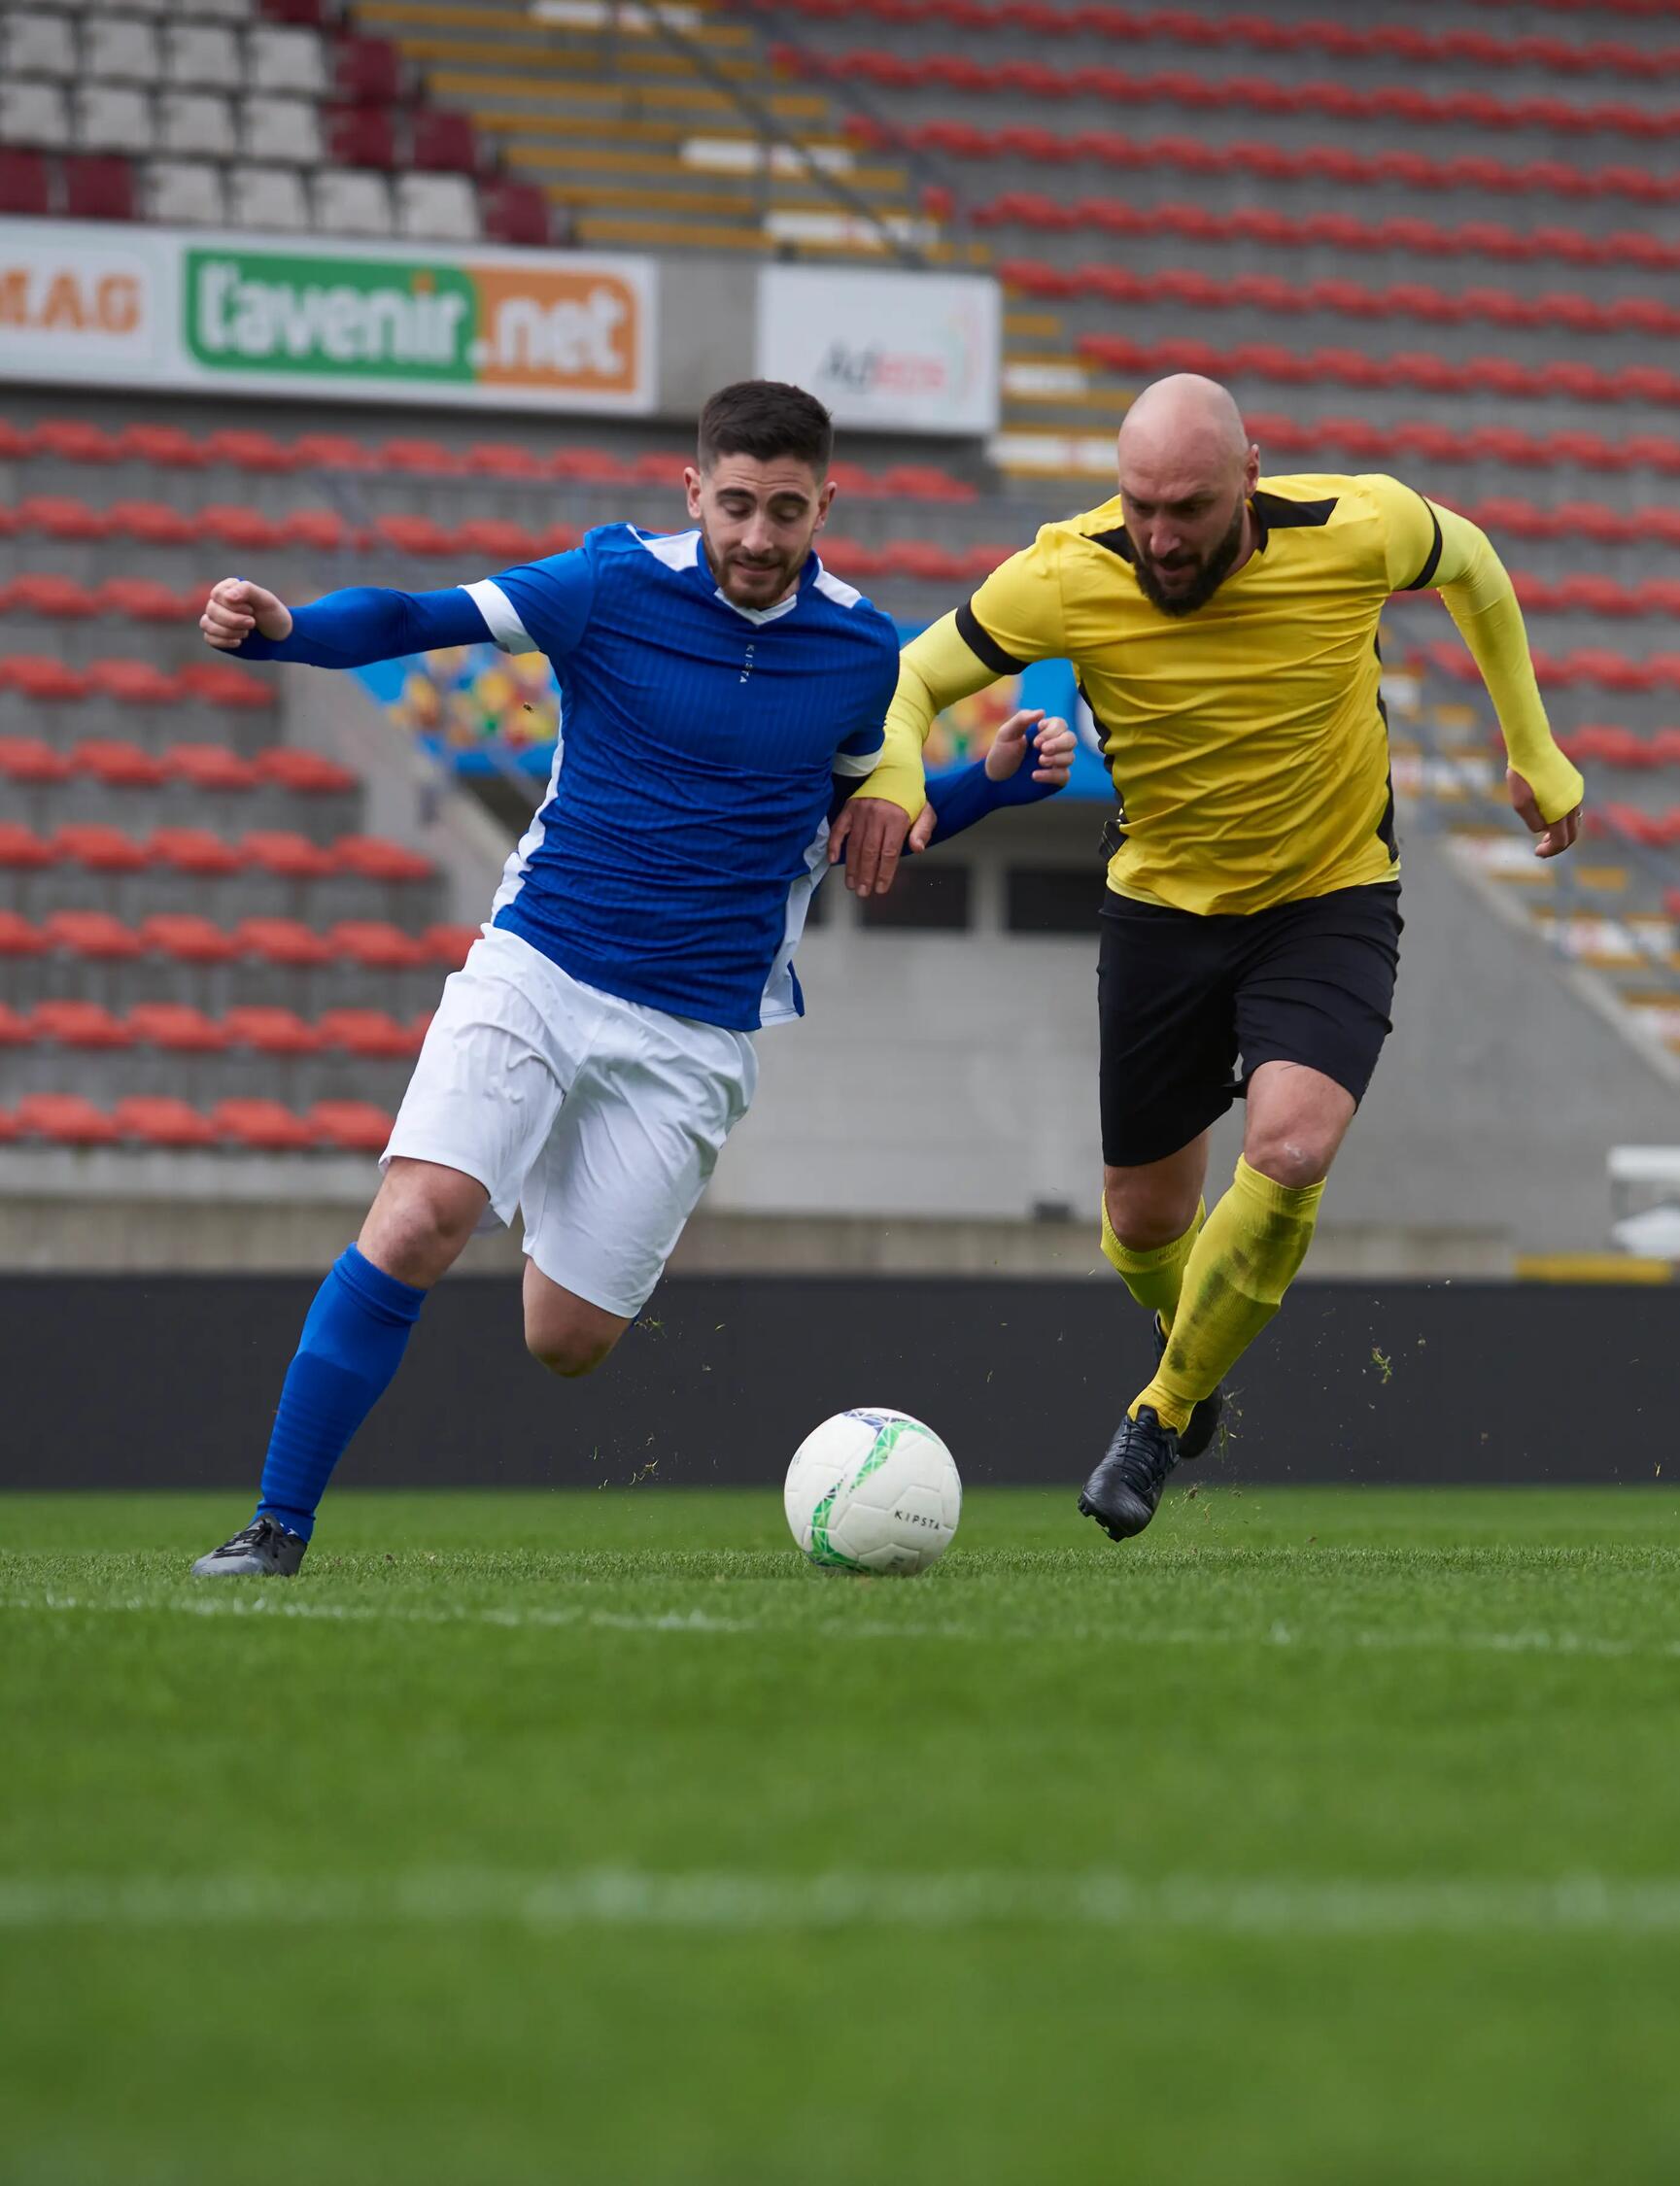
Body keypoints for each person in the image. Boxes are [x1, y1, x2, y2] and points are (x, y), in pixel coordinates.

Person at [188, 380, 1074, 1577]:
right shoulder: (606, 583)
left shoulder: (863, 652)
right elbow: (412, 614)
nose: (759, 537)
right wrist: (292, 631)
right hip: (541, 967)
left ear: (827, 506)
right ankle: (276, 1528)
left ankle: (532, 1161)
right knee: (417, 1221)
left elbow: (855, 820)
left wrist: (990, 787)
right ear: (695, 491)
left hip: (694, 1034)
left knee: (567, 1341)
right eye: (739, 505)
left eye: (788, 511)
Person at [840, 373, 1585, 1542]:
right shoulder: (1065, 573)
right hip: (1161, 916)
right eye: (1138, 505)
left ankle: (1158, 1411)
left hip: (1328, 900)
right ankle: (1186, 1332)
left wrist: (1533, 747)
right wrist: (894, 773)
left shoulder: (1354, 529)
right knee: (1142, 1225)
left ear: (1249, 476)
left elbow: (1476, 563)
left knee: (1289, 1149)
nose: (1157, 536)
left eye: (1184, 508)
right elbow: (913, 676)